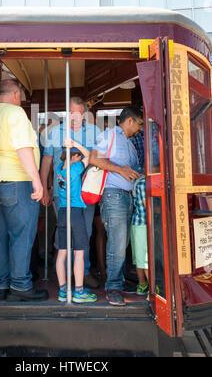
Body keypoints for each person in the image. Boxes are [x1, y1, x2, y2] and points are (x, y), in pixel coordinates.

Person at [0, 79, 48, 302]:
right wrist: (37, 180)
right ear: (16, 94)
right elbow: (23, 148)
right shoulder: (15, 114)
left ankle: (1, 284)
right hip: (17, 182)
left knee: (0, 238)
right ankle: (20, 285)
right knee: (22, 236)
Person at [40, 96, 100, 289]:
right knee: (65, 235)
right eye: (70, 113)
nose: (73, 117)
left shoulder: (94, 131)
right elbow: (47, 161)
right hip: (62, 194)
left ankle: (85, 272)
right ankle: (66, 279)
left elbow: (101, 159)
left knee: (86, 232)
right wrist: (44, 189)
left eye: (77, 113)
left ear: (84, 113)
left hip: (87, 192)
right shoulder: (55, 132)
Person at [90, 106, 144, 306]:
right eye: (139, 123)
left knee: (123, 244)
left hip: (127, 196)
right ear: (130, 120)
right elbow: (94, 158)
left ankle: (118, 282)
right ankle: (113, 287)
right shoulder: (109, 134)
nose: (140, 128)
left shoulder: (129, 143)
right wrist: (120, 169)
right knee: (118, 244)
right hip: (113, 195)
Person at [56, 138, 97, 303]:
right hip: (75, 212)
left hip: (62, 212)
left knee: (61, 252)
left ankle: (63, 290)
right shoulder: (75, 169)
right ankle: (79, 292)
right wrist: (75, 144)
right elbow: (90, 156)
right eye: (78, 156)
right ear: (73, 157)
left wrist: (70, 148)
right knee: (79, 252)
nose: (81, 158)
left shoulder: (60, 169)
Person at [130, 174, 149, 296]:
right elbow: (148, 206)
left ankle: (142, 285)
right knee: (145, 258)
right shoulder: (143, 183)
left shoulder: (141, 181)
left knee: (140, 257)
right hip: (142, 224)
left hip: (140, 224)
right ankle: (151, 290)